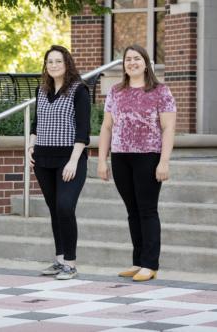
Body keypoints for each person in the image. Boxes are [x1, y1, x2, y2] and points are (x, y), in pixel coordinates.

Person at [97, 45, 176, 282]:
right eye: (128, 59)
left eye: (137, 58)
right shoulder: (116, 91)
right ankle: (138, 261)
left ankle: (150, 264)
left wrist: (164, 161)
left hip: (149, 156)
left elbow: (168, 128)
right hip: (121, 156)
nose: (132, 62)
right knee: (132, 211)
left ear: (146, 63)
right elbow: (107, 127)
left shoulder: (160, 91)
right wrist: (102, 160)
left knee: (147, 210)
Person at [28, 45, 90, 280]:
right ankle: (59, 259)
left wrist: (73, 161)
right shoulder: (41, 90)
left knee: (65, 206)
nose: (53, 65)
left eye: (58, 61)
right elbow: (37, 122)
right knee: (55, 210)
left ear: (67, 64)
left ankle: (70, 264)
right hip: (43, 159)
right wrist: (31, 145)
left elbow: (83, 130)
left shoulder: (79, 90)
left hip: (69, 158)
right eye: (49, 61)